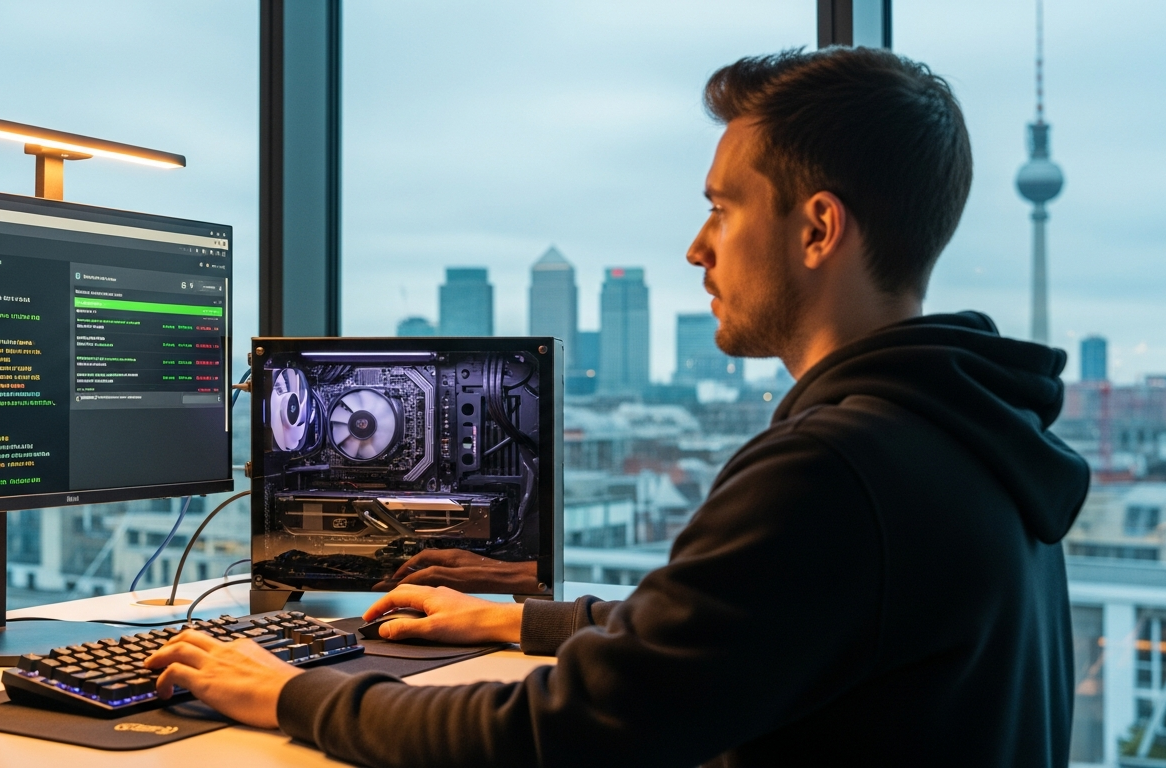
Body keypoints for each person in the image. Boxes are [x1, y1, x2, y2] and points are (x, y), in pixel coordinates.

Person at [145, 46, 1089, 767]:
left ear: (817, 227)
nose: (696, 247)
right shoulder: (965, 430)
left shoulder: (837, 467)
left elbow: (569, 735)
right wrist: (517, 623)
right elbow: (725, 633)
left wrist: (289, 697)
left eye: (723, 207)